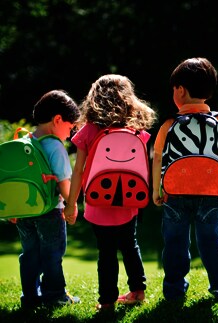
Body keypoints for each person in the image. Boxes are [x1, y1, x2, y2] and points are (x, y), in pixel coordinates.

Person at [64, 74, 156, 310]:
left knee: (106, 253)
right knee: (130, 245)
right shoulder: (136, 129)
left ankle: (107, 302)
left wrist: (71, 203)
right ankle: (138, 291)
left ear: (94, 98)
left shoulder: (89, 130)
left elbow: (79, 171)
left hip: (98, 203)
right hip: (129, 200)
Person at [152, 58, 218, 301]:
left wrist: (155, 190)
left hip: (174, 193)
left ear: (180, 90)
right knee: (211, 240)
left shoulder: (169, 125)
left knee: (175, 243)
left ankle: (174, 289)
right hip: (210, 194)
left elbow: (158, 159)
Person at [13, 90, 81, 308]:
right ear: (58, 119)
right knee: (53, 253)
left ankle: (31, 297)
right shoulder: (55, 146)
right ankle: (54, 295)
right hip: (50, 211)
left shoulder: (25, 142)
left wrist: (14, 209)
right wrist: (71, 205)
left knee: (30, 254)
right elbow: (63, 181)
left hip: (25, 211)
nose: (70, 134)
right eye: (71, 127)